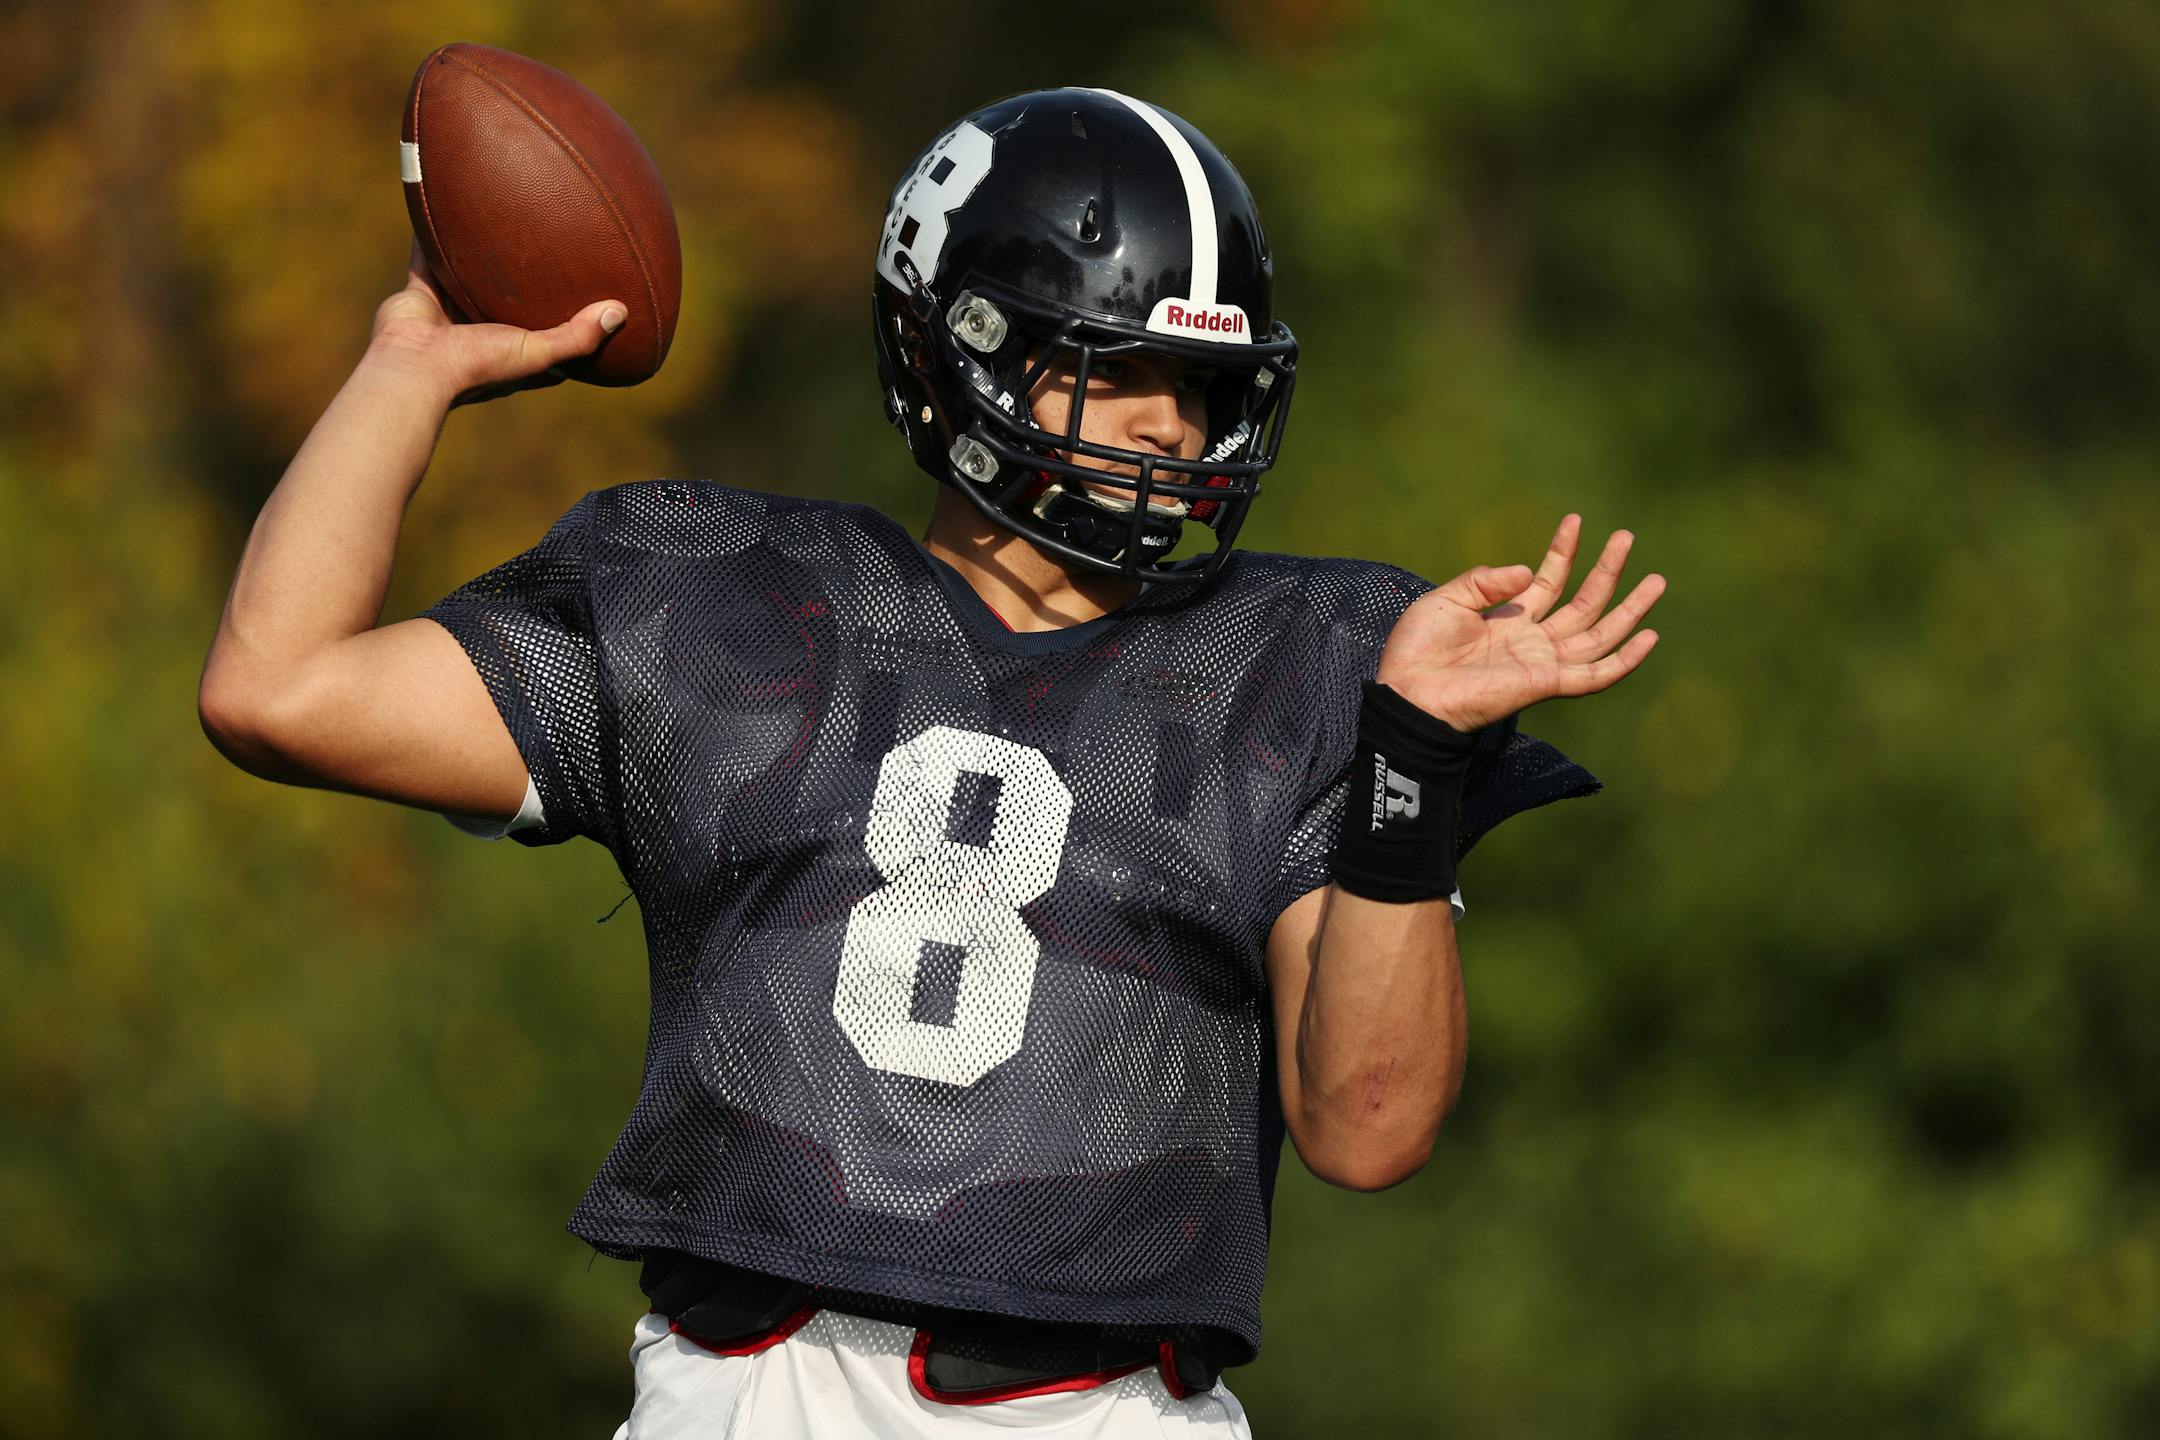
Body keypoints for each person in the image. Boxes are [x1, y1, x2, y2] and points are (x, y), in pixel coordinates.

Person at [199, 86, 1663, 1437]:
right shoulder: (728, 596)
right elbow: (280, 687)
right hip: (749, 1397)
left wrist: (1409, 762)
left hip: (1103, 1416)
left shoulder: (1303, 659)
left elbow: (1368, 1125)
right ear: (965, 349)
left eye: (1205, 386)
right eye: (1126, 368)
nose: (1176, 424)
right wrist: (409, 368)